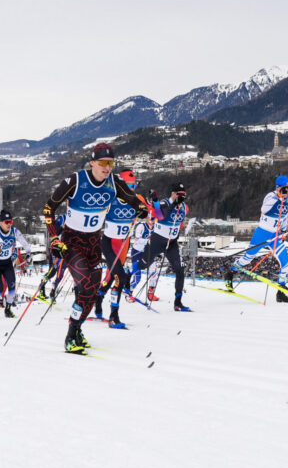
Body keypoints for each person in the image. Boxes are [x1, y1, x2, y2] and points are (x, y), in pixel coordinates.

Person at [42, 143, 147, 353]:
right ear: (92, 163)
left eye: (110, 163)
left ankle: (78, 328)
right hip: (72, 242)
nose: (107, 168)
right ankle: (70, 335)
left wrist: (141, 208)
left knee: (93, 289)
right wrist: (54, 238)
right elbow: (49, 208)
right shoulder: (75, 180)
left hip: (93, 242)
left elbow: (132, 199)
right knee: (86, 285)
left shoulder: (114, 182)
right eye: (102, 163)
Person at [225, 175, 288, 303]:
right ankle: (231, 271)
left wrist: (283, 231)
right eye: (285, 188)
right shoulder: (270, 197)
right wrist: (279, 197)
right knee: (248, 258)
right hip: (262, 233)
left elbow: (285, 216)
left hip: (275, 236)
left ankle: (281, 293)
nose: (287, 191)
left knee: (285, 262)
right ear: (278, 188)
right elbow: (264, 209)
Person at [94, 169, 143, 328]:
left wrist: (152, 206)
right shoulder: (111, 199)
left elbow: (155, 215)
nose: (131, 189)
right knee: (120, 277)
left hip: (124, 244)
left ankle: (99, 298)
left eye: (133, 185)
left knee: (113, 276)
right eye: (128, 185)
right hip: (109, 243)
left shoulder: (138, 199)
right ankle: (113, 316)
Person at [141, 182, 191, 311]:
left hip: (171, 243)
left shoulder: (185, 207)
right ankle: (126, 285)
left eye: (184, 195)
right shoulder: (164, 203)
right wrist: (174, 204)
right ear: (173, 194)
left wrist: (176, 236)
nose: (181, 198)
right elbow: (160, 216)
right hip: (158, 240)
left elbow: (179, 224)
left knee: (180, 270)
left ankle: (178, 302)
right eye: (179, 195)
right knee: (142, 265)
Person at [0, 210, 32, 319]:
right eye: (6, 222)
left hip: (7, 263)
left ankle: (8, 309)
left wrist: (28, 253)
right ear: (1, 223)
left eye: (10, 221)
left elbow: (24, 242)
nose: (9, 224)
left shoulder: (15, 232)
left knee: (12, 288)